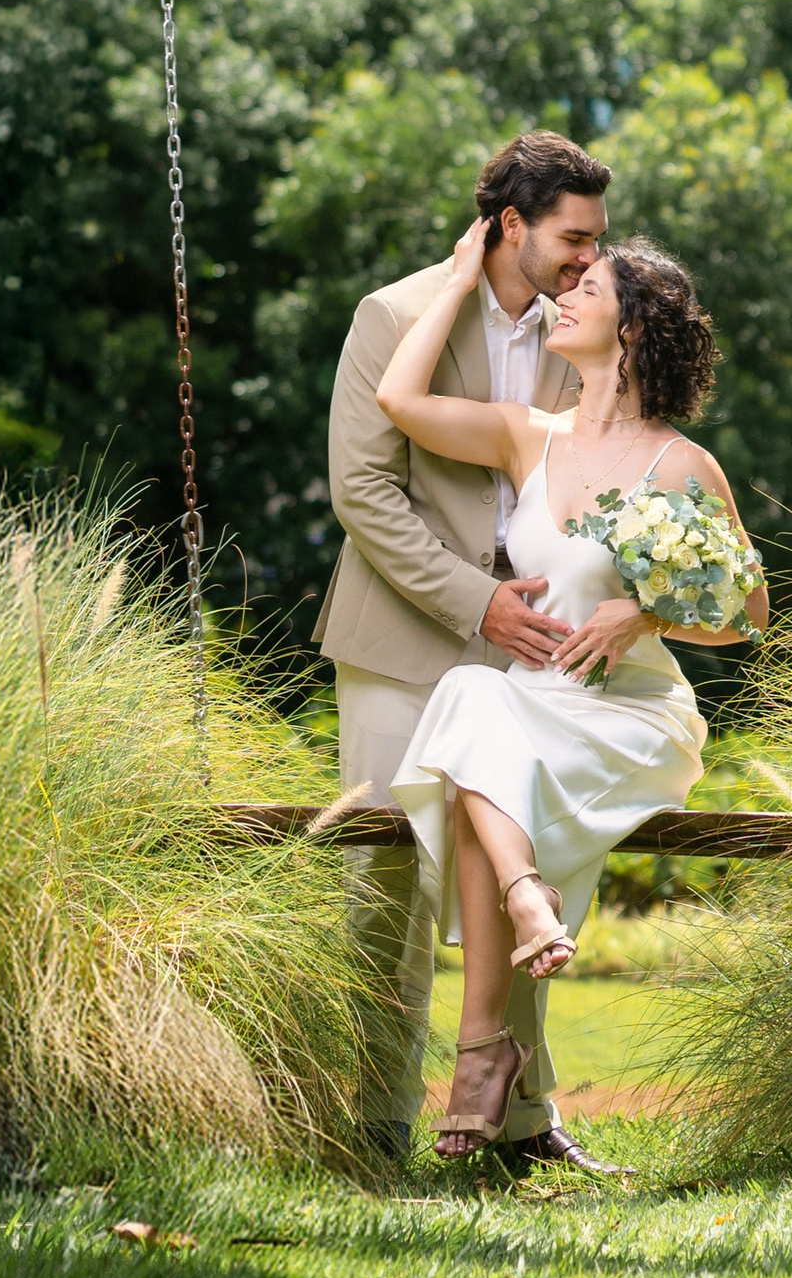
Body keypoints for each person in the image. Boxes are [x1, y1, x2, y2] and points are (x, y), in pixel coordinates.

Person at [375, 216, 768, 1161]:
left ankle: (485, 1038)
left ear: (630, 329)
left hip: (629, 715)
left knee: (475, 745)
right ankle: (522, 914)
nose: (565, 296)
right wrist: (459, 280)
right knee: (474, 701)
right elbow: (400, 398)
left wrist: (649, 617)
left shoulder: (681, 465)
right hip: (530, 704)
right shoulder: (528, 437)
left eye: (588, 291)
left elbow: (750, 614)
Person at [319, 128, 612, 1169]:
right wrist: (474, 601)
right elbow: (362, 489)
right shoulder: (394, 315)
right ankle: (370, 1125)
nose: (589, 259)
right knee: (384, 883)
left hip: (534, 649)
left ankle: (523, 1126)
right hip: (403, 638)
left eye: (596, 241)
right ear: (511, 225)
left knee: (527, 870)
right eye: (573, 239)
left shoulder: (588, 328)